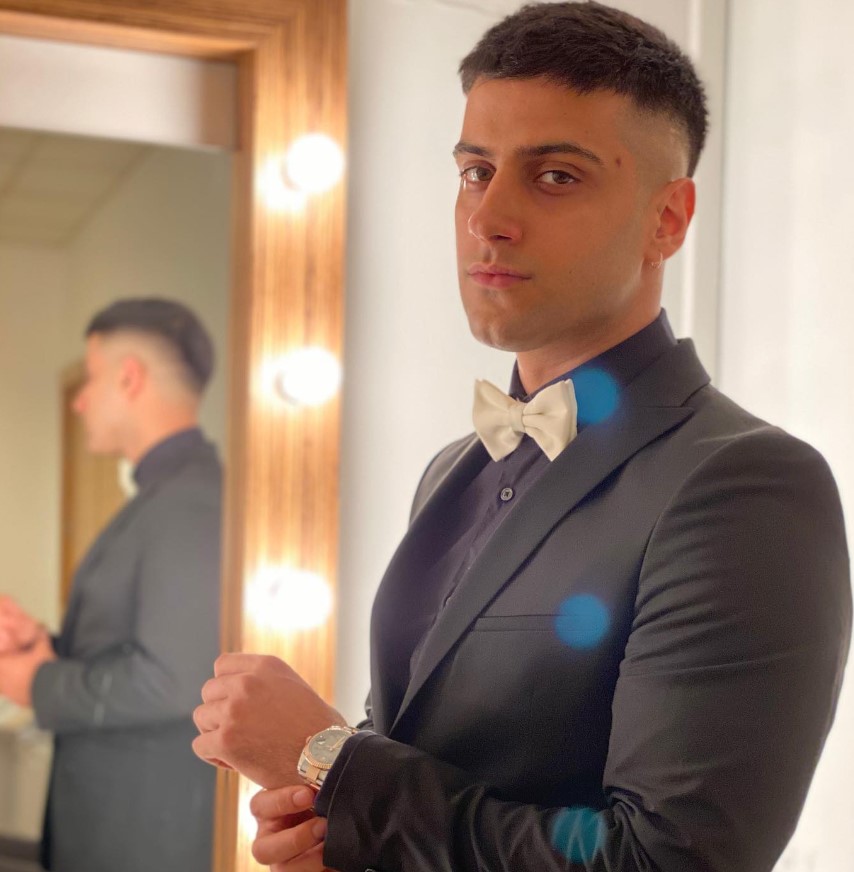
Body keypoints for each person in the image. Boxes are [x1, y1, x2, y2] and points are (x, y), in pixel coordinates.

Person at [191, 3, 852, 871]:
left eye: (556, 176)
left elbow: (666, 861)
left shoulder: (747, 486)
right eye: (476, 171)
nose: (488, 216)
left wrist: (330, 764)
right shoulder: (451, 471)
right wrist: (333, 830)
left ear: (668, 219)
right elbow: (428, 768)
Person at [0, 298, 222, 872]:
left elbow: (172, 681)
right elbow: (135, 648)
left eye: (90, 378)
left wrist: (36, 683)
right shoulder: (162, 497)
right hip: (116, 822)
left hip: (141, 837)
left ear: (129, 378)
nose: (78, 400)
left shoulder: (189, 502)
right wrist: (44, 645)